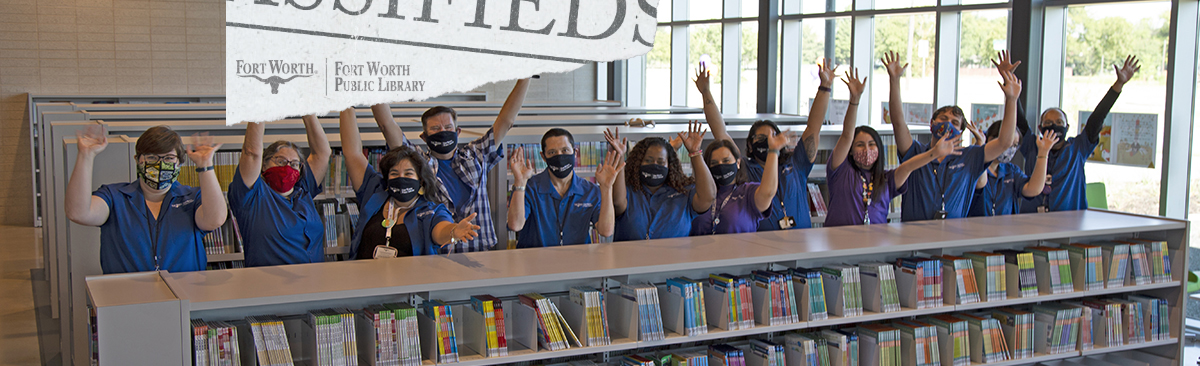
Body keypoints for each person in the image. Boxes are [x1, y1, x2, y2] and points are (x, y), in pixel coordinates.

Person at [371, 78, 532, 252]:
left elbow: (506, 121)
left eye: (448, 127)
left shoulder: (475, 155)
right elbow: (387, 125)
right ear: (424, 137)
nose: (443, 132)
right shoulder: (417, 162)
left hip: (481, 251)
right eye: (435, 129)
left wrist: (525, 77)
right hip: (441, 253)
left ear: (458, 132)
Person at [64, 125, 227, 274]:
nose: (160, 164)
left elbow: (215, 219)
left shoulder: (191, 198)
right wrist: (85, 155)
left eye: (169, 158)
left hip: (186, 294)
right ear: (138, 160)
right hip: (126, 296)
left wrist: (205, 165)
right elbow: (78, 213)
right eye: (151, 158)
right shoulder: (114, 196)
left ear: (179, 163)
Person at [884, 50, 1023, 221]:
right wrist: (894, 80)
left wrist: (1011, 99)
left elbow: (1004, 142)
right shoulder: (916, 152)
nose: (948, 124)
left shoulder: (970, 157)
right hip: (914, 239)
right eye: (943, 119)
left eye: (955, 122)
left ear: (961, 131)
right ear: (931, 124)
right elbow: (898, 123)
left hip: (953, 239)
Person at [696, 61, 833, 231]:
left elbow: (814, 126)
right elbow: (721, 132)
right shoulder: (745, 168)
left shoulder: (796, 163)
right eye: (761, 138)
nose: (768, 141)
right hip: (763, 248)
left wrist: (825, 87)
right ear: (750, 145)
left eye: (773, 136)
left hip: (800, 245)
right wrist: (705, 92)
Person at [998, 54, 1140, 212]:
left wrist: (1118, 85)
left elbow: (1097, 118)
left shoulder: (1078, 148)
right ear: (1040, 128)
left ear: (1067, 128)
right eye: (1048, 123)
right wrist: (1008, 79)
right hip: (1032, 222)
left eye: (1059, 123)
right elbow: (1020, 119)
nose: (1054, 126)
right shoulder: (1033, 145)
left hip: (1069, 223)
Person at [825, 68, 961, 226]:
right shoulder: (841, 170)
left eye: (872, 144)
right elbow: (847, 135)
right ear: (850, 150)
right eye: (860, 145)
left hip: (875, 244)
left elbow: (909, 166)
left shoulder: (886, 179)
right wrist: (855, 99)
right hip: (839, 243)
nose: (867, 150)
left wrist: (934, 153)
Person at [338, 108, 480, 258]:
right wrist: (347, 103)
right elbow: (352, 154)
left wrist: (454, 231)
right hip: (367, 279)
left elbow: (440, 230)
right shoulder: (375, 192)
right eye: (394, 173)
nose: (401, 178)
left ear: (420, 179)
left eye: (408, 173)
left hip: (410, 280)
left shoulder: (431, 210)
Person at [227, 116, 331, 267]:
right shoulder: (252, 196)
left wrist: (308, 109)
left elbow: (322, 154)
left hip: (314, 283)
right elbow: (251, 152)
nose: (288, 167)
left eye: (294, 164)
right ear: (263, 165)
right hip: (271, 285)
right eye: (281, 161)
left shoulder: (303, 190)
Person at [507, 128, 622, 247]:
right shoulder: (529, 187)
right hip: (534, 262)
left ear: (575, 152)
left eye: (565, 150)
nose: (560, 156)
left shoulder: (590, 190)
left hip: (577, 260)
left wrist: (607, 188)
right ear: (543, 157)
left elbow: (606, 231)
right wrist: (520, 182)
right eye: (552, 152)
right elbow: (515, 225)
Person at [608, 121, 716, 241]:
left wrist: (695, 153)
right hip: (631, 258)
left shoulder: (683, 191)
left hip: (675, 258)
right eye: (648, 161)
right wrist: (620, 156)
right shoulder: (628, 190)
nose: (655, 165)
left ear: (669, 165)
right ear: (638, 163)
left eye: (660, 162)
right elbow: (617, 203)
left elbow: (708, 197)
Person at [689, 134, 785, 235]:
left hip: (740, 250)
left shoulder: (748, 192)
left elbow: (768, 192)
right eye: (714, 163)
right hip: (701, 250)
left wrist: (773, 151)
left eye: (726, 160)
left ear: (738, 163)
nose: (721, 165)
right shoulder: (699, 194)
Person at [968, 122, 1057, 217]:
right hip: (977, 228)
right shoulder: (973, 166)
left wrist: (1043, 153)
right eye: (1008, 144)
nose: (1010, 149)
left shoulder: (1011, 171)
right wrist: (980, 147)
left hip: (1006, 229)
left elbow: (1033, 189)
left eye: (1015, 145)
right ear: (990, 139)